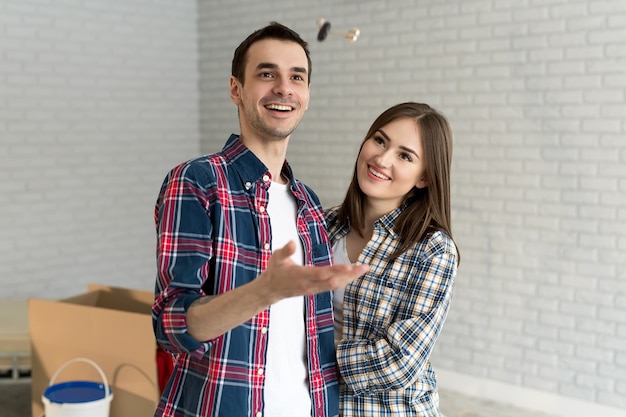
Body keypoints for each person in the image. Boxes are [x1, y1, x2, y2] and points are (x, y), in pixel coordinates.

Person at [152, 22, 369, 417]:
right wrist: (263, 292)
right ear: (236, 89)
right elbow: (170, 326)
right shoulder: (199, 181)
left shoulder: (309, 203)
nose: (283, 88)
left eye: (296, 77)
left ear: (306, 94)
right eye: (266, 74)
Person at [326, 102, 459, 416]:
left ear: (424, 177)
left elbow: (400, 362)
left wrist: (305, 351)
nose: (381, 159)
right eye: (380, 141)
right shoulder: (324, 225)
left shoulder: (433, 249)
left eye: (405, 156)